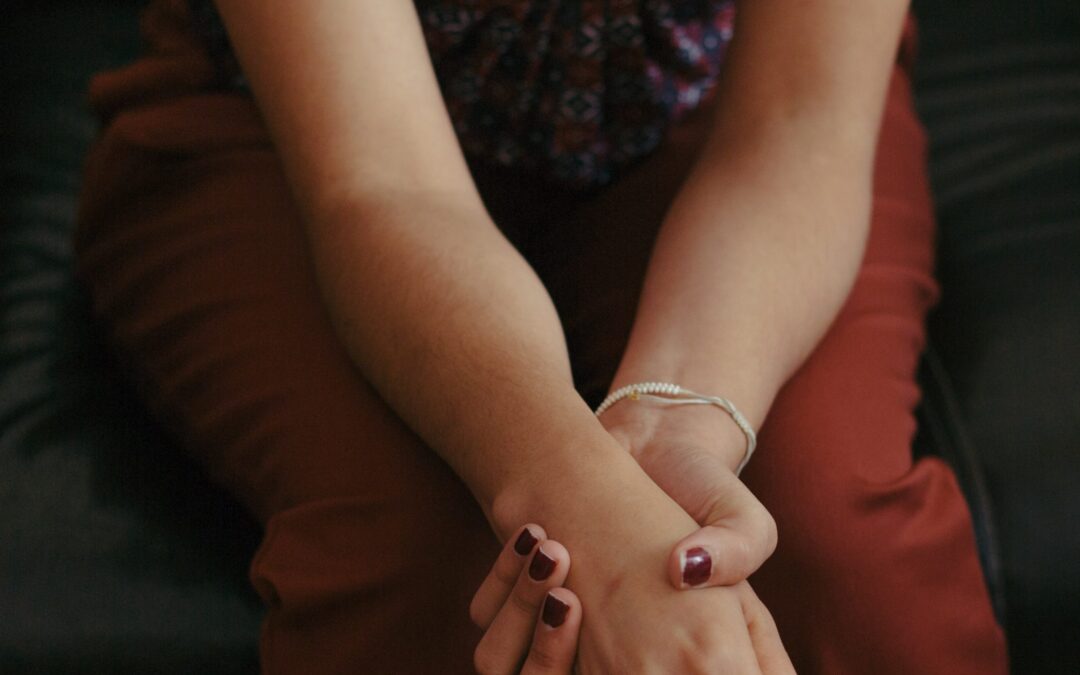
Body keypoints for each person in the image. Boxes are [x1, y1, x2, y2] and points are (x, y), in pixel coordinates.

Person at [74, 0, 1009, 672]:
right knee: (432, 568)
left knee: (839, 555)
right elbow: (384, 181)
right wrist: (576, 500)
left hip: (727, 112)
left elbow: (799, 124)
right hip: (298, 132)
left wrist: (673, 427)